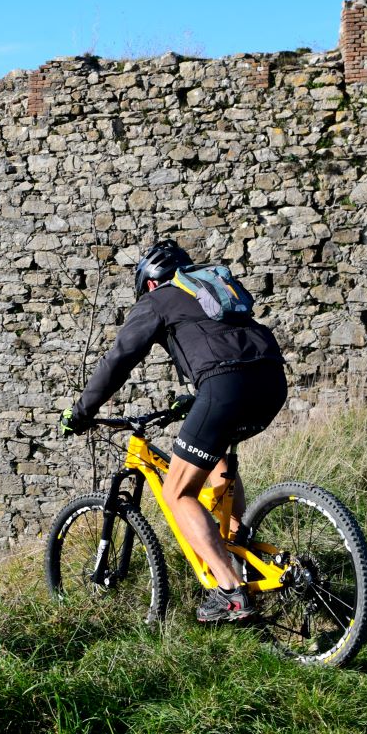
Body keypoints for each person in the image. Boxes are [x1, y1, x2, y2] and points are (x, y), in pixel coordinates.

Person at [59, 240, 287, 623]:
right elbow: (226, 347)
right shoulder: (207, 290)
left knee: (177, 492)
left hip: (224, 387)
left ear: (150, 282)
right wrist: (198, 398)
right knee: (215, 458)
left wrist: (82, 412)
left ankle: (230, 592)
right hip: (271, 381)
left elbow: (119, 359)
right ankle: (240, 550)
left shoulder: (157, 299)